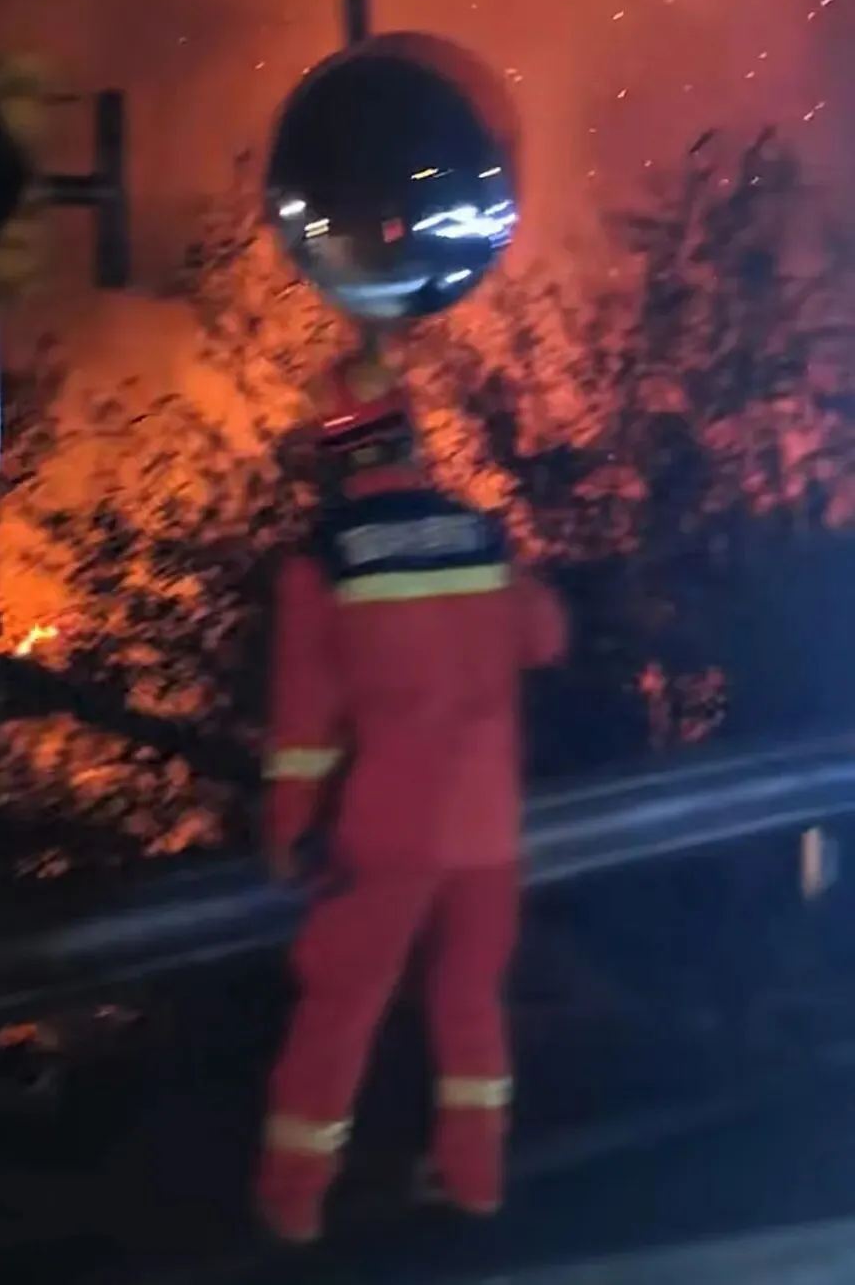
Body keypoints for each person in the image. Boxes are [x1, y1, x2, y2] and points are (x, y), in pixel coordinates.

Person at [256, 349, 568, 1244]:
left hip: (387, 828)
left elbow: (305, 721)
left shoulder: (324, 564)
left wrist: (290, 829)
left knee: (342, 1006)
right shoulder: (476, 535)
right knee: (470, 999)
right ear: (412, 441)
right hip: (489, 828)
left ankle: (294, 1199)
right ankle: (475, 1180)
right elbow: (545, 639)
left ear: (331, 455)